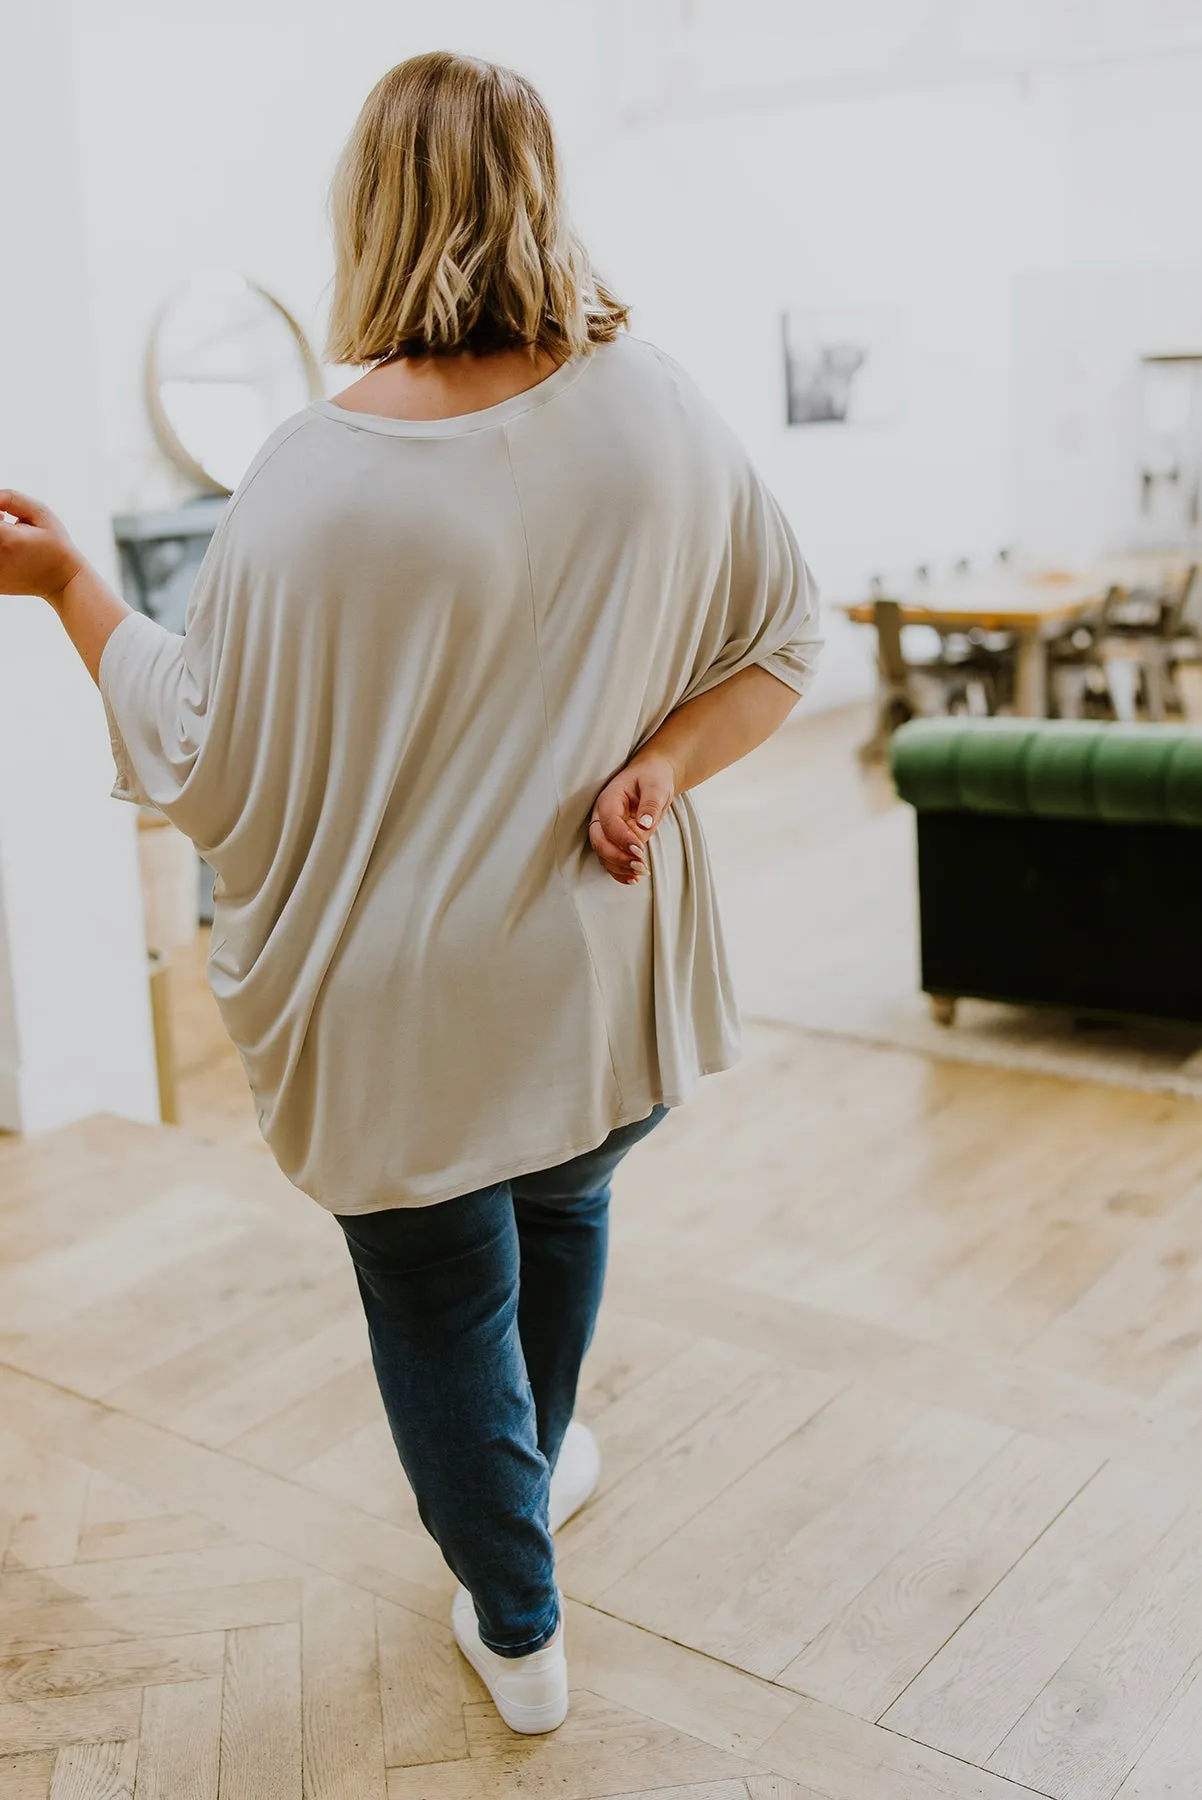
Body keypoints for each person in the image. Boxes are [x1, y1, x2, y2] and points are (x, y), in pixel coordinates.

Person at [0, 50, 821, 1734]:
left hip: (404, 1020)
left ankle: (516, 1623)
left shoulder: (315, 467)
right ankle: (535, 1474)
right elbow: (782, 639)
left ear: (369, 209)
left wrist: (72, 581)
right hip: (594, 982)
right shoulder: (653, 404)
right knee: (568, 1207)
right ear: (540, 192)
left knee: (445, 1292)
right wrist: (659, 762)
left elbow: (199, 750)